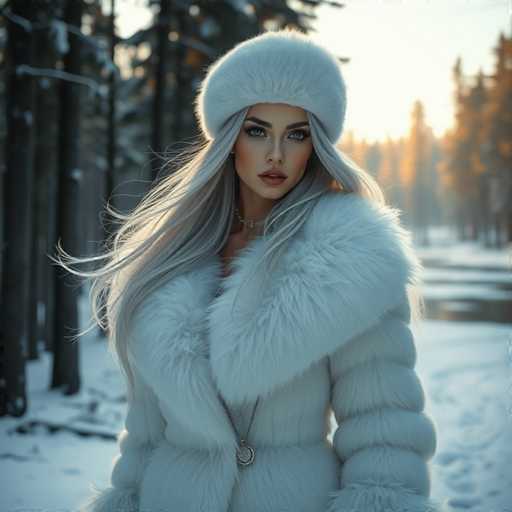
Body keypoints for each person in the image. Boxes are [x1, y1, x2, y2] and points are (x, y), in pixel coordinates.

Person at [66, 28, 445, 512]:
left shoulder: (350, 263)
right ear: (228, 137)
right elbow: (144, 437)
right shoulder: (170, 259)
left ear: (317, 146)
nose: (276, 155)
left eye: (297, 134)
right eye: (257, 130)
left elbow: (383, 433)